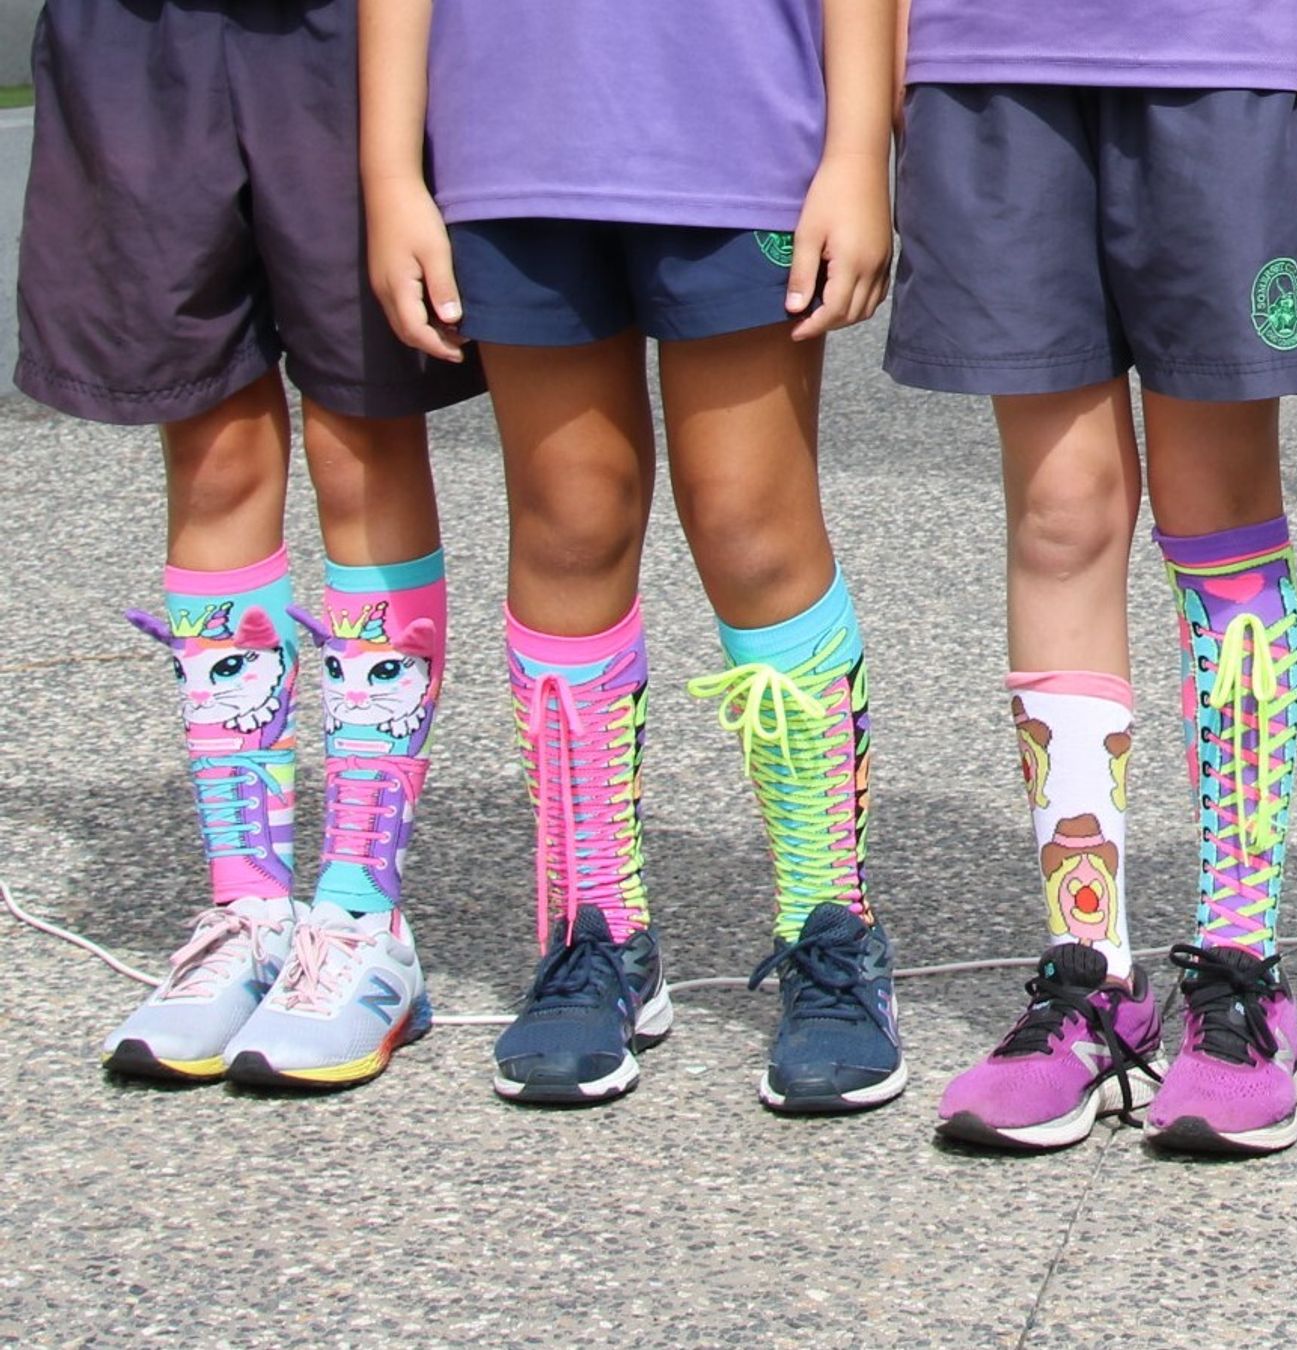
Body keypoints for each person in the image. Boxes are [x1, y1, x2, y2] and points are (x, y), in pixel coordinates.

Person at [361, 0, 899, 1110]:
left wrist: (858, 151)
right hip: (511, 141)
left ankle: (830, 927)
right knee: (569, 519)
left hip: (745, 130)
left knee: (752, 523)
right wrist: (390, 173)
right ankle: (594, 927)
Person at [888, 0, 1297, 1155]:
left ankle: (1242, 972)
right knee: (1060, 516)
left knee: (1221, 513)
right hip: (988, 56)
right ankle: (1090, 974)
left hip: (1223, 60)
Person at [19, 1, 484, 1089]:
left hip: (344, 35)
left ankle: (363, 918)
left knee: (360, 436)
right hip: (139, 36)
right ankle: (251, 909)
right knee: (212, 443)